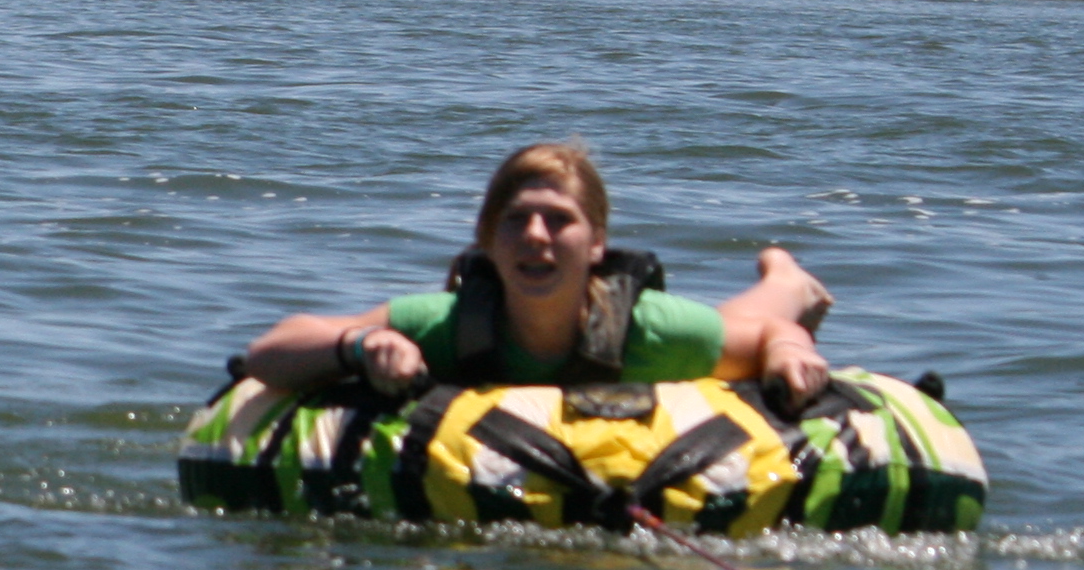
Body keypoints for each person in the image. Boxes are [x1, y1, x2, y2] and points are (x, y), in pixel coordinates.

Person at [240, 140, 833, 409]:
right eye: (516, 219)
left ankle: (785, 278)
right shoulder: (446, 325)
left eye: (559, 220)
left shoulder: (652, 330)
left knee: (758, 313)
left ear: (597, 244)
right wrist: (361, 345)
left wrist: (787, 350)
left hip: (661, 332)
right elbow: (268, 353)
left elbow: (770, 336)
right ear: (486, 241)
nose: (536, 236)